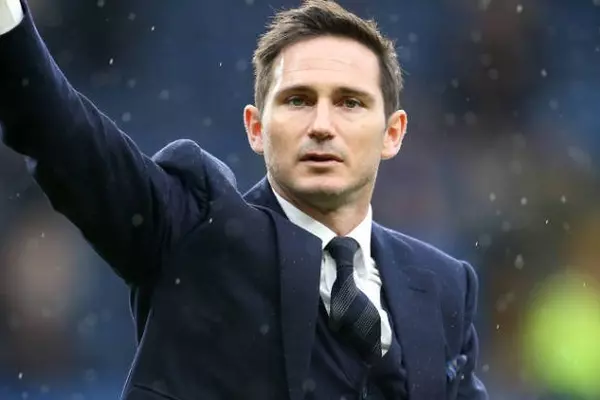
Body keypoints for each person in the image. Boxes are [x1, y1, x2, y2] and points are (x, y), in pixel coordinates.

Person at [0, 0, 488, 399]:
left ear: (392, 133)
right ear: (255, 128)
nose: (322, 125)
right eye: (298, 100)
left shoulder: (443, 287)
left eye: (350, 102)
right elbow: (66, 137)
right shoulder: (197, 230)